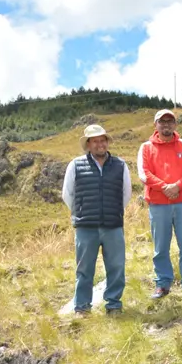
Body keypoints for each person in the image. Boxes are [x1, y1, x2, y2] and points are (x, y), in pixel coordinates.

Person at [61, 124, 132, 316]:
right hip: (86, 227)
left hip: (113, 226)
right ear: (88, 144)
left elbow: (126, 194)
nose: (100, 144)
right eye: (95, 141)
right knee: (84, 269)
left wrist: (112, 212)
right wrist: (82, 213)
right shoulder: (75, 165)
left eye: (103, 140)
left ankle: (114, 304)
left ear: (107, 142)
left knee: (116, 267)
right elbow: (68, 195)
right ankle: (82, 307)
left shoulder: (120, 165)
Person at [137, 109, 182, 298]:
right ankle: (162, 284)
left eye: (170, 121)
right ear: (155, 125)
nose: (166, 125)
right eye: (162, 122)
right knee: (160, 246)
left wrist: (177, 186)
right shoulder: (146, 147)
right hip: (158, 203)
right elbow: (143, 173)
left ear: (175, 124)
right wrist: (165, 187)